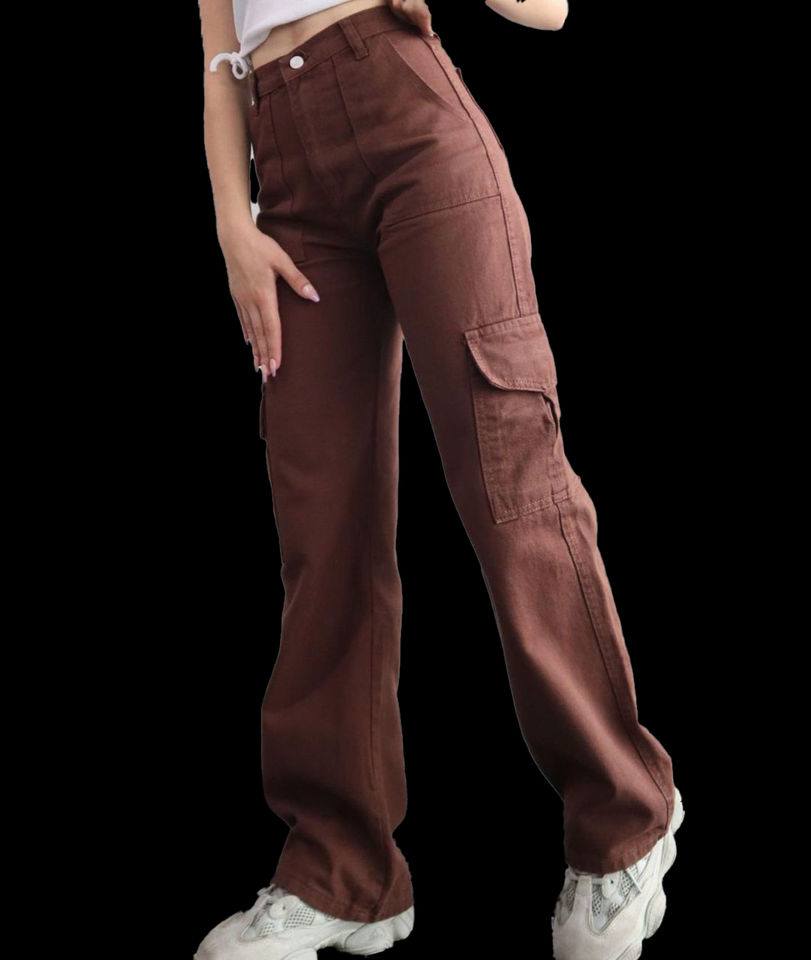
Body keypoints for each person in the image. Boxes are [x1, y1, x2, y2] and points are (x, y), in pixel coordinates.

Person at [194, 2, 684, 958]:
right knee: (321, 532)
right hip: (284, 173)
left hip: (408, 116)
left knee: (509, 484)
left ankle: (625, 822)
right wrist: (229, 226)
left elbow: (549, 9)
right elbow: (220, 59)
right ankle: (344, 877)